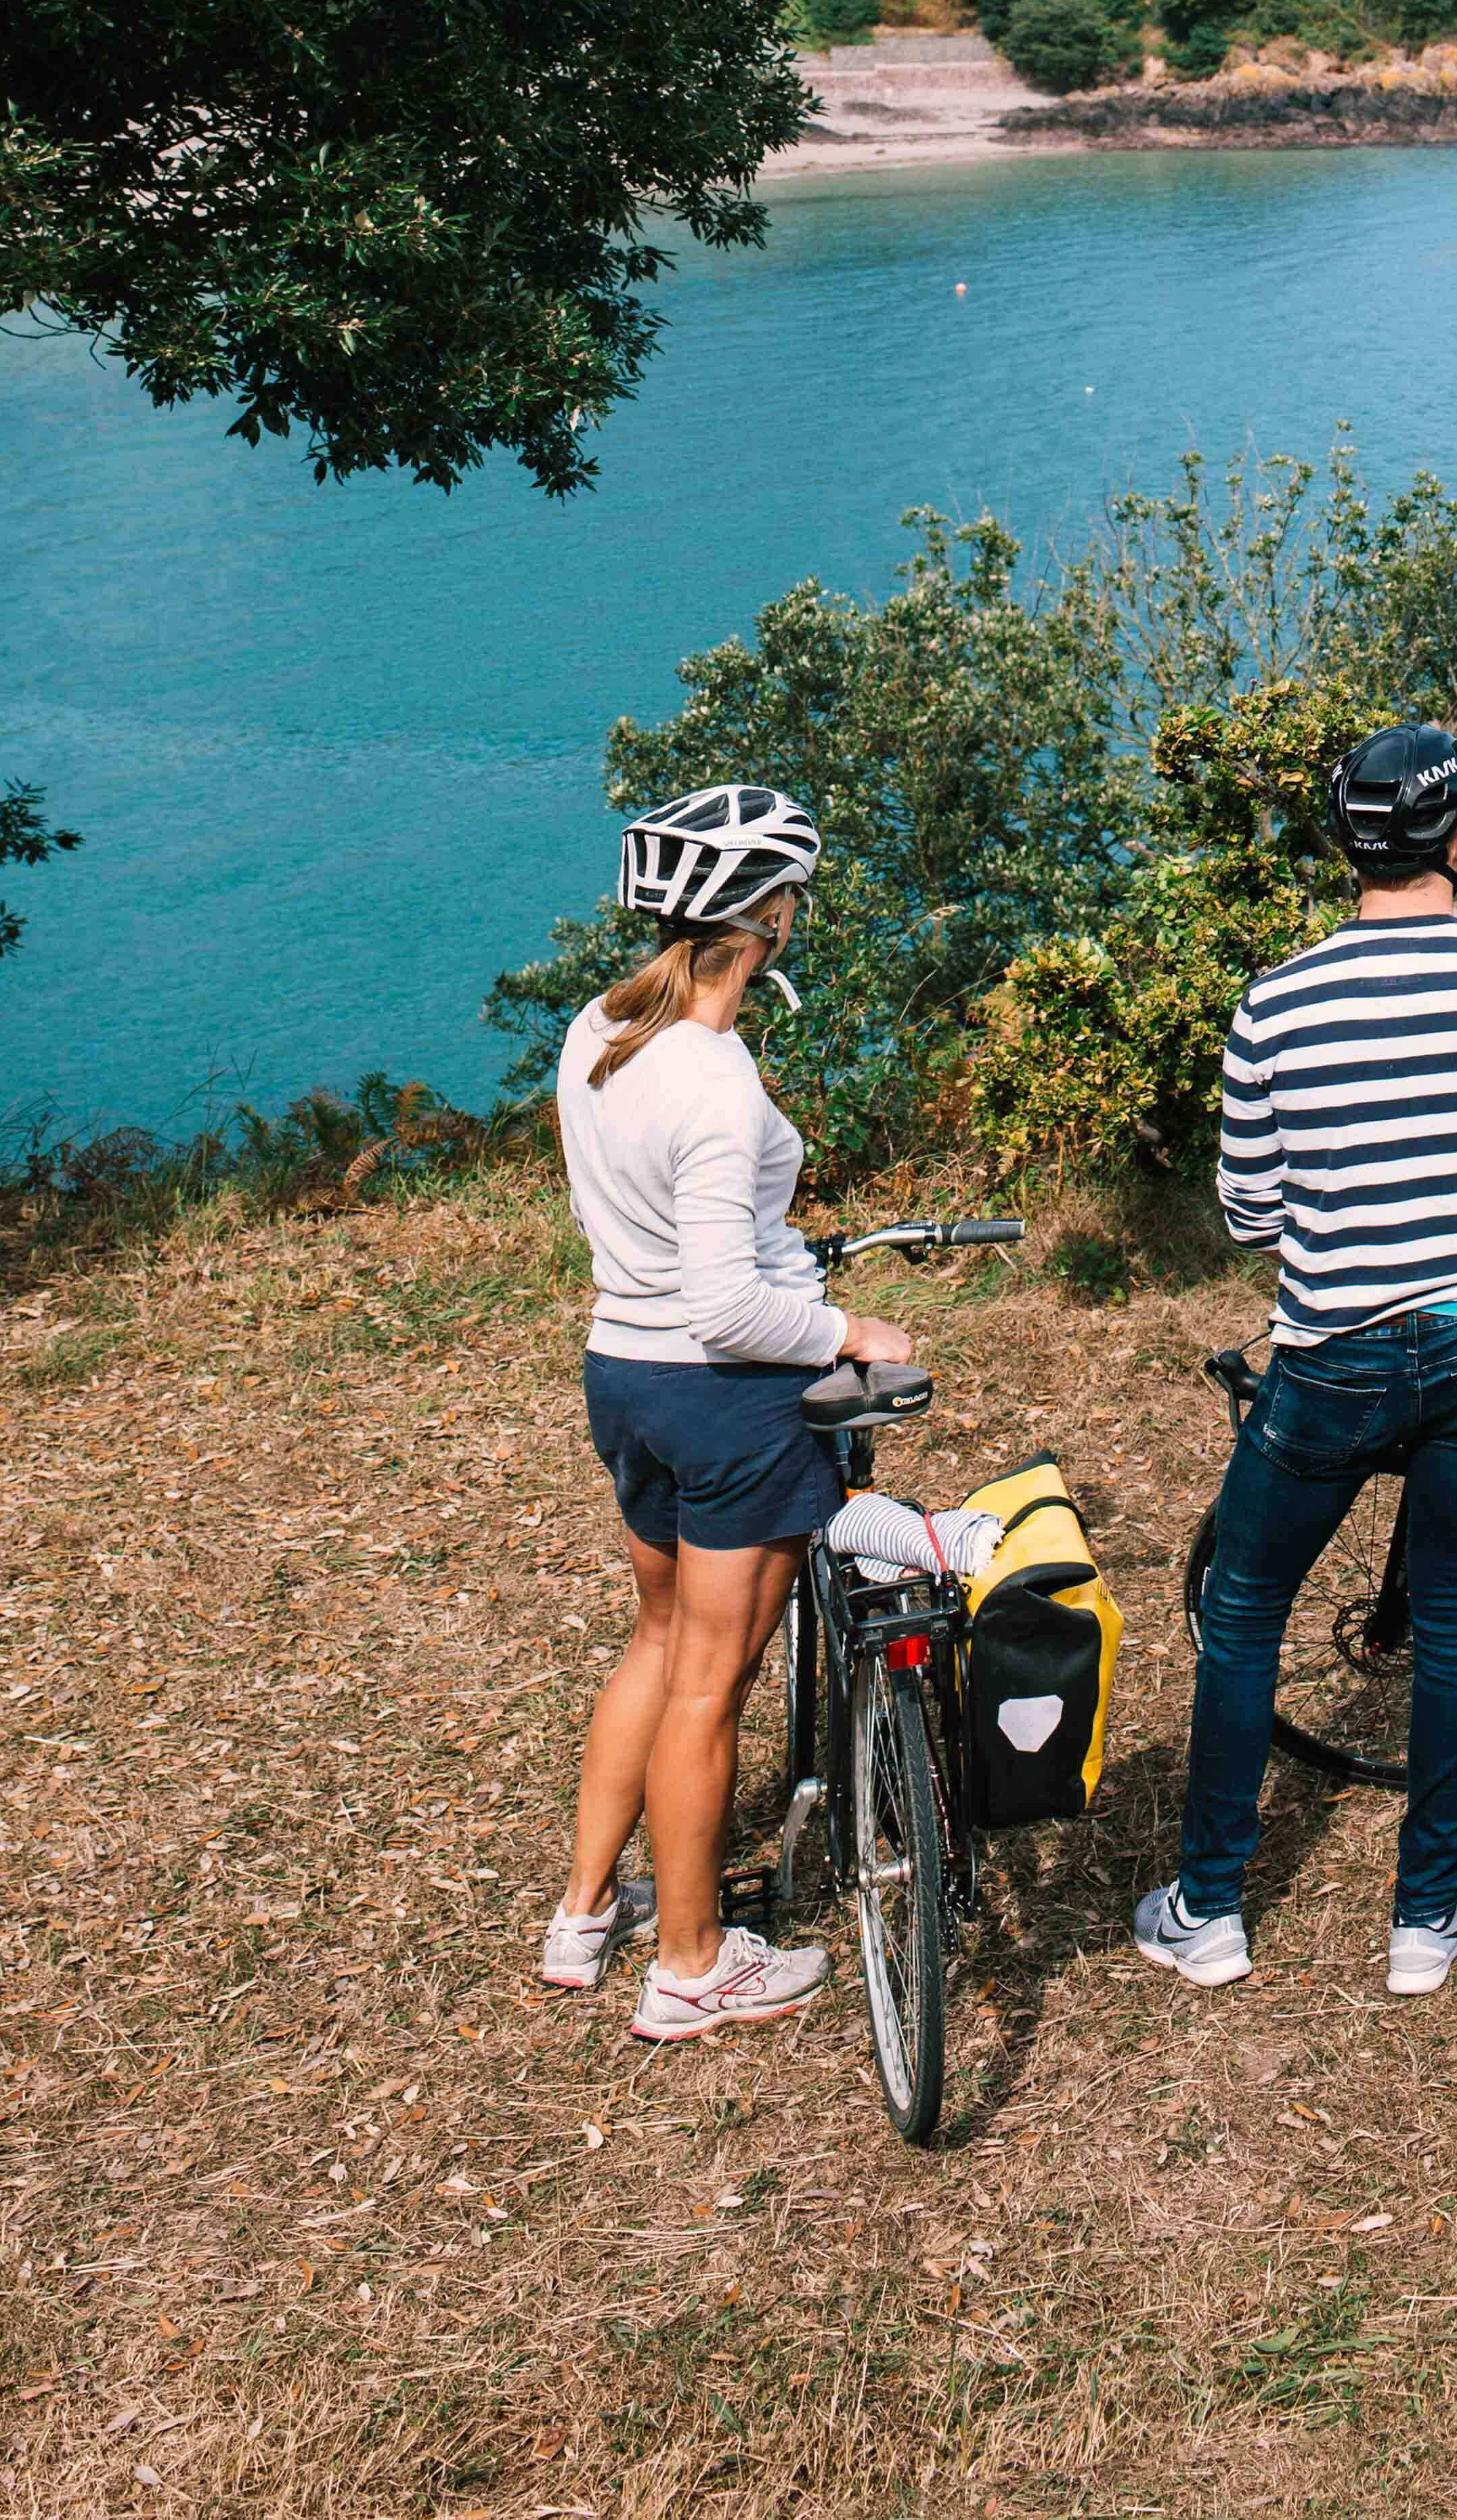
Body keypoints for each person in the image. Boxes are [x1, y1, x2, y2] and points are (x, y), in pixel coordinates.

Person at [1135, 721, 1457, 2002]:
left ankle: (1212, 1910)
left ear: (1351, 849)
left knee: (1242, 1607)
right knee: (1456, 1620)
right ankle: (1423, 1918)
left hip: (1333, 1348)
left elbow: (1248, 1213)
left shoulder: (1275, 1004)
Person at [544, 782, 923, 2043]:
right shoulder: (710, 1077)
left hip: (623, 1376)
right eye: (791, 897)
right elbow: (727, 1307)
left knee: (657, 1641)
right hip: (724, 1400)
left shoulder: (599, 1027)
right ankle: (694, 1967)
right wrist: (846, 1331)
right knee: (712, 1681)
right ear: (765, 915)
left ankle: (588, 1913)